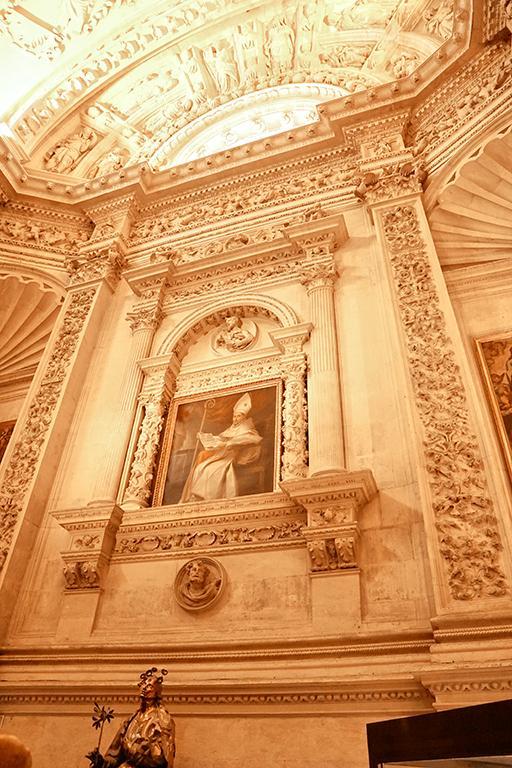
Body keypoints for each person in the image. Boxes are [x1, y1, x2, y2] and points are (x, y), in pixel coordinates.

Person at [180, 393, 262, 502]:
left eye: (238, 416)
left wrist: (229, 443)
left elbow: (253, 439)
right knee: (201, 467)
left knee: (211, 470)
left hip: (234, 456)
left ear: (244, 417)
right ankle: (195, 495)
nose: (235, 419)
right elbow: (221, 438)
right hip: (222, 455)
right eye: (234, 416)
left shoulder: (247, 428)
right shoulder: (232, 428)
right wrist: (204, 436)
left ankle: (207, 497)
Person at [87, 668, 175, 768]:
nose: (144, 688)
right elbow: (115, 756)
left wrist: (136, 753)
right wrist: (102, 762)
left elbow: (164, 760)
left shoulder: (162, 720)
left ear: (156, 692)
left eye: (149, 686)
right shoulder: (131, 720)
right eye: (143, 684)